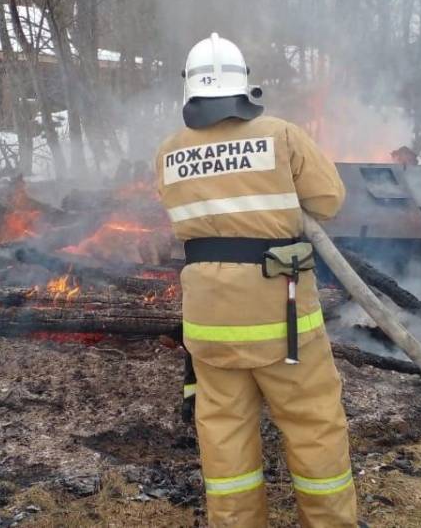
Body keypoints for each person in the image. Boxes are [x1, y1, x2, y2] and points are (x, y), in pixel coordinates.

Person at [155, 33, 357, 527]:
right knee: (314, 429)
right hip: (281, 320)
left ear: (190, 90)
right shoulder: (281, 135)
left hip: (208, 323)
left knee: (224, 440)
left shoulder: (168, 153)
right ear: (244, 86)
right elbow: (329, 200)